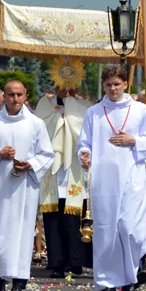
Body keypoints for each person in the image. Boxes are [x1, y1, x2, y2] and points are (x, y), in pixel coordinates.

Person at [77, 65, 146, 291]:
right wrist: (84, 153)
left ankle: (130, 276)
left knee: (129, 229)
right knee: (106, 231)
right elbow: (84, 142)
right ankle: (107, 284)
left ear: (125, 85)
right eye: (108, 85)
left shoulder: (140, 110)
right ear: (103, 86)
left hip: (132, 177)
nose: (113, 89)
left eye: (117, 84)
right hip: (104, 180)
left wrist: (134, 140)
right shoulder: (94, 112)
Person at [0, 80, 55, 291]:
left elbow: (47, 154)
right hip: (0, 186)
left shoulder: (36, 123)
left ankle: (19, 283)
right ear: (4, 97)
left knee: (23, 232)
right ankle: (0, 278)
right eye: (11, 95)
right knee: (0, 232)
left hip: (25, 186)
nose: (15, 99)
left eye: (19, 94)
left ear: (26, 95)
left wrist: (31, 164)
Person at [36, 85, 91, 279]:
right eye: (62, 85)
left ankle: (75, 262)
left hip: (73, 168)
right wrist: (61, 115)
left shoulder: (83, 107)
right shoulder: (45, 105)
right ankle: (56, 262)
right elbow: (42, 130)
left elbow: (82, 133)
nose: (66, 89)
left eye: (71, 85)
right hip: (52, 168)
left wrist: (70, 107)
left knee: (72, 221)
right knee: (53, 220)